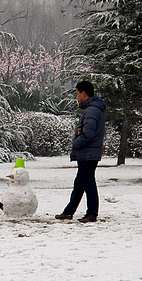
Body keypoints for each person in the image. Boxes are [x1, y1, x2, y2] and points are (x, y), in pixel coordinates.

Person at [56, 81, 106, 223]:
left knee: (88, 183)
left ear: (84, 93)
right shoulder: (93, 109)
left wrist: (75, 144)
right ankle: (68, 212)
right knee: (79, 183)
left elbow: (87, 134)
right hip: (89, 153)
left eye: (77, 94)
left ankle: (92, 213)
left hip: (87, 153)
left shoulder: (91, 111)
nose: (77, 97)